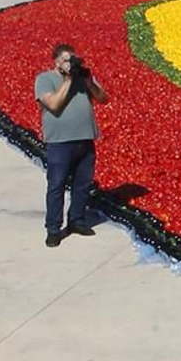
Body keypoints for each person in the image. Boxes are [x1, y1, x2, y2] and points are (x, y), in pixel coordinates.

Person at [34, 44, 108, 247]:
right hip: (60, 142)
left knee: (82, 184)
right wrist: (67, 80)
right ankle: (53, 229)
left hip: (85, 138)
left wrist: (88, 83)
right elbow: (54, 104)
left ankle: (76, 220)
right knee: (56, 185)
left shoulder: (84, 77)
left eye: (74, 60)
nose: (71, 64)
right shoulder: (45, 79)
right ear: (56, 62)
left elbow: (104, 99)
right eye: (67, 60)